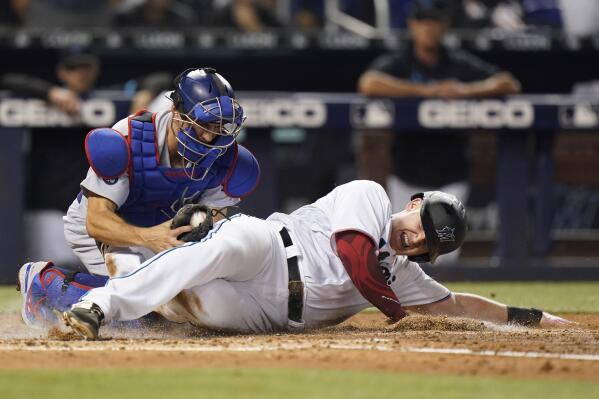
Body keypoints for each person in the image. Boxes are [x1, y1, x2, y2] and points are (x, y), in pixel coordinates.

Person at [56, 180, 569, 339]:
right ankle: (96, 308)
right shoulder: (369, 197)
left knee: (179, 306)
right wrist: (396, 314)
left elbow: (456, 306)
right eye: (423, 225)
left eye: (429, 244)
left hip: (267, 318)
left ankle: (61, 287)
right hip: (270, 254)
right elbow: (354, 255)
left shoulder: (403, 275)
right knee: (228, 243)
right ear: (413, 204)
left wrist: (532, 318)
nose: (417, 240)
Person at [17, 67, 260, 327]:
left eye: (218, 125)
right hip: (106, 226)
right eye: (202, 125)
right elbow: (96, 221)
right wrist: (150, 238)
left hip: (164, 228)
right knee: (141, 315)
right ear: (177, 115)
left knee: (189, 314)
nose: (210, 136)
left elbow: (212, 225)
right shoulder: (128, 139)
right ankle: (45, 280)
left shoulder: (231, 163)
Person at [356, 0, 521, 263]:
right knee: (400, 254)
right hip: (406, 173)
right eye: (423, 22)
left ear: (444, 26)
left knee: (444, 257)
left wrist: (464, 90)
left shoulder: (456, 61)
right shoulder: (402, 61)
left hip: (451, 173)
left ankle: (442, 305)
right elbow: (368, 83)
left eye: (434, 22)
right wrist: (427, 91)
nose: (428, 29)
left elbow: (508, 83)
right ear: (412, 26)